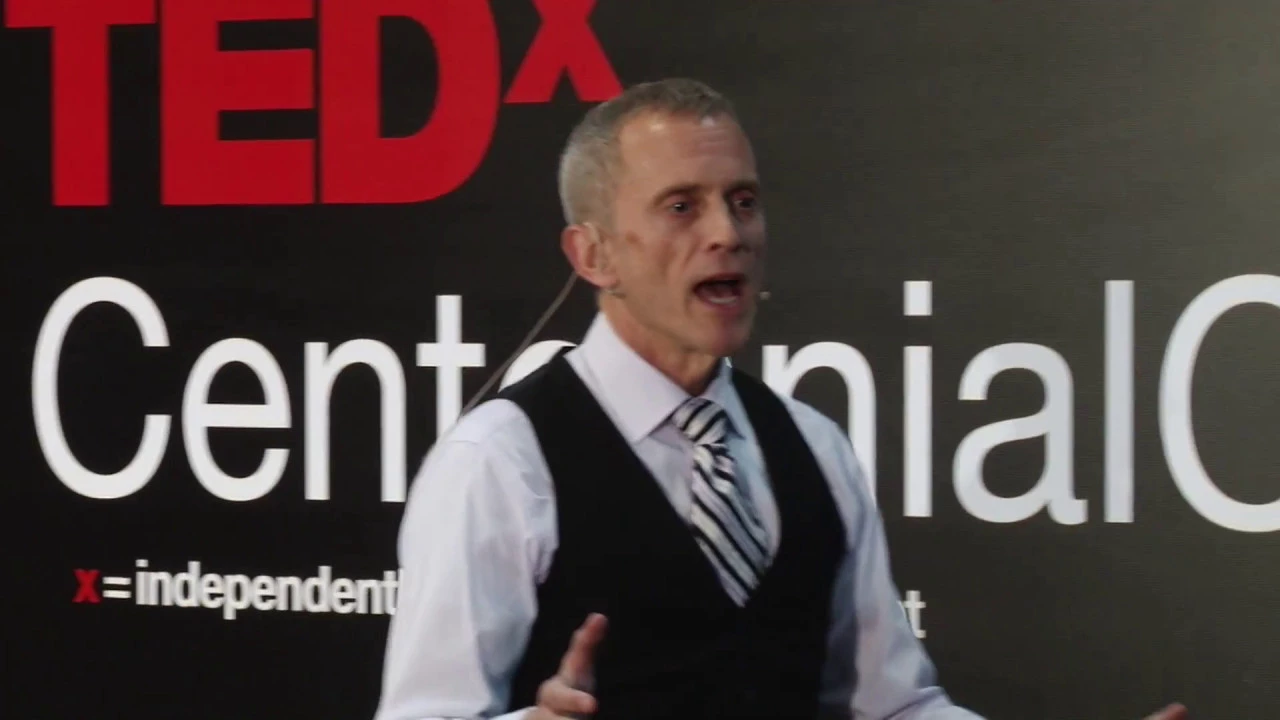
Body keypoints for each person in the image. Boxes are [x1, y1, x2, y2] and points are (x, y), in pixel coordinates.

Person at [372, 78, 1188, 720]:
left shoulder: (813, 448)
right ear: (594, 255)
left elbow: (893, 707)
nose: (728, 234)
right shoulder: (500, 464)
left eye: (744, 201)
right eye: (682, 206)